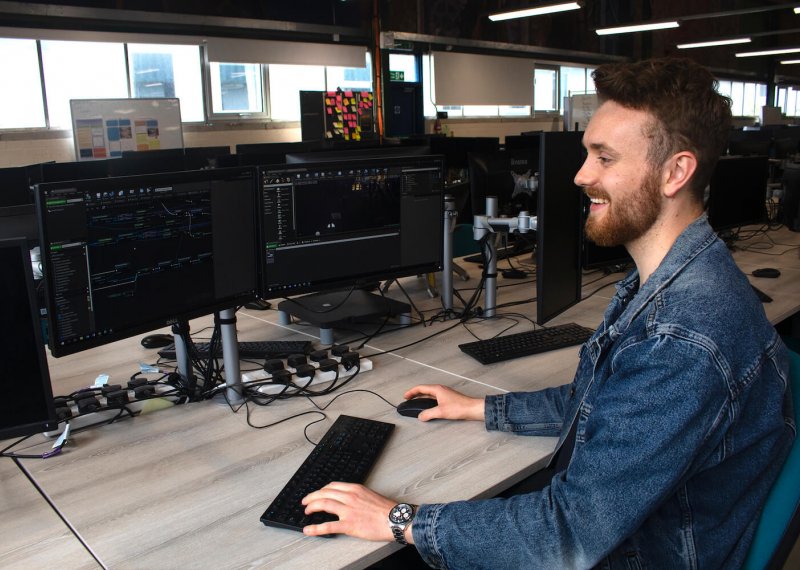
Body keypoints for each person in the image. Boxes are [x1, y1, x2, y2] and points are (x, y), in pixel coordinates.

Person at [301, 57, 795, 569]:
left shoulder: (682, 335)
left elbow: (568, 534)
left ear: (675, 172)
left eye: (604, 158)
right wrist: (480, 408)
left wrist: (400, 520)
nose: (581, 176)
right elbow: (607, 405)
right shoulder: (671, 279)